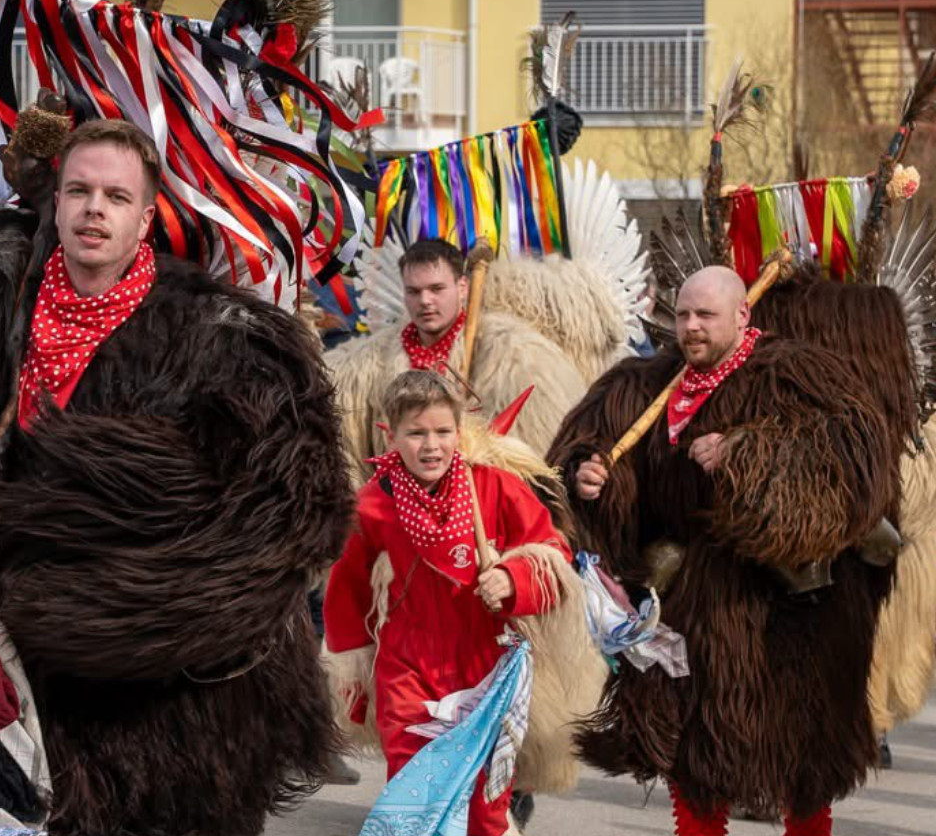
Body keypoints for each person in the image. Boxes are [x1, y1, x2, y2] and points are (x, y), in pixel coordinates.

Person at [0, 119, 352, 836]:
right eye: (80, 191)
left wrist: (47, 533)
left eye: (116, 197)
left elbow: (282, 516)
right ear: (57, 201)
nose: (95, 209)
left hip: (164, 711)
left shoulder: (223, 341)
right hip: (0, 684)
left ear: (145, 217)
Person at [547, 266, 901, 836]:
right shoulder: (647, 384)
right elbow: (593, 451)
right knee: (693, 748)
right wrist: (590, 477)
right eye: (684, 314)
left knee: (803, 754)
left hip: (788, 609)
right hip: (692, 602)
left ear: (742, 315)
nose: (691, 327)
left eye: (705, 316)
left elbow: (851, 452)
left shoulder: (794, 373)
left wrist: (745, 451)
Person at [323, 370, 571, 835]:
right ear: (391, 435)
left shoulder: (495, 488)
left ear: (460, 430)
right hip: (407, 671)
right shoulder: (373, 504)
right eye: (416, 433)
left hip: (486, 668)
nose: (431, 446)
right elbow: (347, 588)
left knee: (484, 806)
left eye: (442, 431)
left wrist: (514, 580)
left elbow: (554, 555)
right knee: (414, 798)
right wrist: (353, 675)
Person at [324, 239, 591, 470]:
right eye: (414, 291)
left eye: (436, 289)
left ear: (462, 288)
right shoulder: (375, 361)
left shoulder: (512, 354)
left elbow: (530, 453)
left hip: (479, 498)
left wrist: (475, 449)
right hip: (402, 499)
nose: (425, 301)